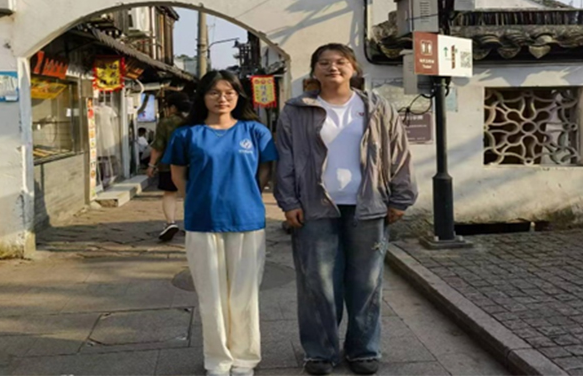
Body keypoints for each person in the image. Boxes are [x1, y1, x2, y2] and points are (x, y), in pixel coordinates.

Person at [274, 43, 417, 376]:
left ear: (354, 68)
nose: (332, 67)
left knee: (366, 283)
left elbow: (399, 153)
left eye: (340, 61)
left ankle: (363, 349)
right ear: (314, 70)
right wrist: (289, 202)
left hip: (368, 205)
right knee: (318, 284)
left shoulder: (377, 107)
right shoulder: (296, 110)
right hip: (314, 207)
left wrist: (401, 198)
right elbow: (285, 159)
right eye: (324, 62)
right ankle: (320, 352)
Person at [162, 70, 277, 376]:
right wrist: (197, 199)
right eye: (214, 92)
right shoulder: (186, 135)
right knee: (211, 295)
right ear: (202, 97)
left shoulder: (255, 131)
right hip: (203, 220)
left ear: (239, 96)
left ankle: (244, 358)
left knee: (244, 294)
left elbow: (265, 170)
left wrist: (248, 193)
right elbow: (178, 175)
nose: (222, 98)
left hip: (247, 219)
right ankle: (217, 359)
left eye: (229, 92)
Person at [146, 92, 190, 241]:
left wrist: (151, 165)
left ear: (173, 107)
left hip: (169, 164)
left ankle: (170, 222)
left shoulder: (166, 122)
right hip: (193, 164)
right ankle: (191, 223)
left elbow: (158, 146)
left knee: (170, 193)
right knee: (190, 194)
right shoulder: (195, 121)